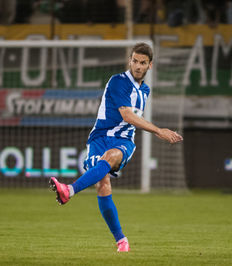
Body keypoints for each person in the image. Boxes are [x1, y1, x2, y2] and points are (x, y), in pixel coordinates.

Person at [49, 43, 183, 253]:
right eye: (135, 61)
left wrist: (157, 130)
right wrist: (159, 131)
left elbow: (130, 121)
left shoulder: (145, 90)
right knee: (103, 185)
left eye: (143, 63)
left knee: (111, 157)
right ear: (130, 60)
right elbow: (127, 115)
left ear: (150, 65)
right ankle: (121, 240)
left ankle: (69, 190)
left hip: (124, 142)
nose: (138, 66)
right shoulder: (118, 81)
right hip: (100, 138)